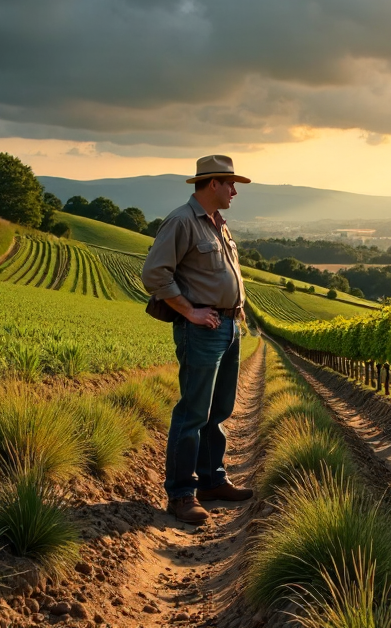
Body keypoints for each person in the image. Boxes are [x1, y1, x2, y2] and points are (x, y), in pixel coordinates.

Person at [142, 154, 254, 524]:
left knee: (218, 411)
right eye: (230, 184)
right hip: (201, 329)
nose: (235, 191)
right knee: (192, 413)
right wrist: (189, 311)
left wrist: (235, 313)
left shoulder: (218, 225)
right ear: (212, 184)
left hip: (227, 327)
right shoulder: (181, 221)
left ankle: (211, 481)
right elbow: (155, 273)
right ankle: (181, 494)